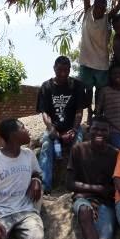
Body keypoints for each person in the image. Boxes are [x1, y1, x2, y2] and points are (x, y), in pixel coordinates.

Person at [66, 116, 118, 239]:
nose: (99, 133)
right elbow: (70, 183)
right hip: (83, 199)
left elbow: (113, 188)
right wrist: (95, 190)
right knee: (84, 211)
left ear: (109, 133)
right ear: (89, 130)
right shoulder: (78, 150)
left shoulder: (115, 154)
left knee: (105, 235)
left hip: (105, 201)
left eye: (104, 130)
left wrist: (90, 191)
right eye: (96, 129)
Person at [37, 55, 88, 193]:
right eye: (59, 70)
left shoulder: (77, 86)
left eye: (66, 70)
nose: (63, 73)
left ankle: (76, 185)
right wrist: (52, 129)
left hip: (73, 128)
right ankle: (44, 186)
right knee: (46, 146)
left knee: (78, 147)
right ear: (54, 68)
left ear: (70, 70)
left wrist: (74, 129)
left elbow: (79, 111)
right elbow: (44, 113)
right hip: (54, 128)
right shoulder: (46, 87)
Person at [79, 0, 120, 123]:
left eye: (103, 7)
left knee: (100, 91)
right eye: (98, 6)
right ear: (94, 6)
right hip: (86, 60)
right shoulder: (87, 13)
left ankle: (98, 113)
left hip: (101, 63)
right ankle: (89, 112)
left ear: (105, 8)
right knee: (87, 90)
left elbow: (119, 5)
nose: (100, 9)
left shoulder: (107, 18)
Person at [96, 65, 120, 149]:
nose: (117, 75)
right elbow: (98, 112)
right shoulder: (105, 91)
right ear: (110, 76)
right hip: (113, 132)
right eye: (114, 73)